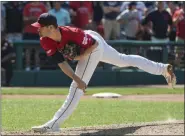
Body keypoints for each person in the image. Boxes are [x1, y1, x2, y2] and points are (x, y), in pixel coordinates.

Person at [31, 13, 176, 133]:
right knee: (121, 60)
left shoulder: (72, 33)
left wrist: (81, 58)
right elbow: (62, 63)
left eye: (40, 27)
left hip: (92, 45)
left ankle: (54, 124)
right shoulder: (45, 40)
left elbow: (93, 44)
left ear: (51, 27)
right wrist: (77, 78)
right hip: (89, 40)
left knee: (76, 88)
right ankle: (163, 68)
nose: (37, 29)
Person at [23, 2, 47, 71]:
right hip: (28, 31)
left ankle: (37, 67)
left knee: (37, 51)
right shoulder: (27, 6)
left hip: (39, 32)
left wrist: (32, 19)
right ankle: (27, 67)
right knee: (28, 50)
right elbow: (24, 19)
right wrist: (35, 19)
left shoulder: (42, 6)